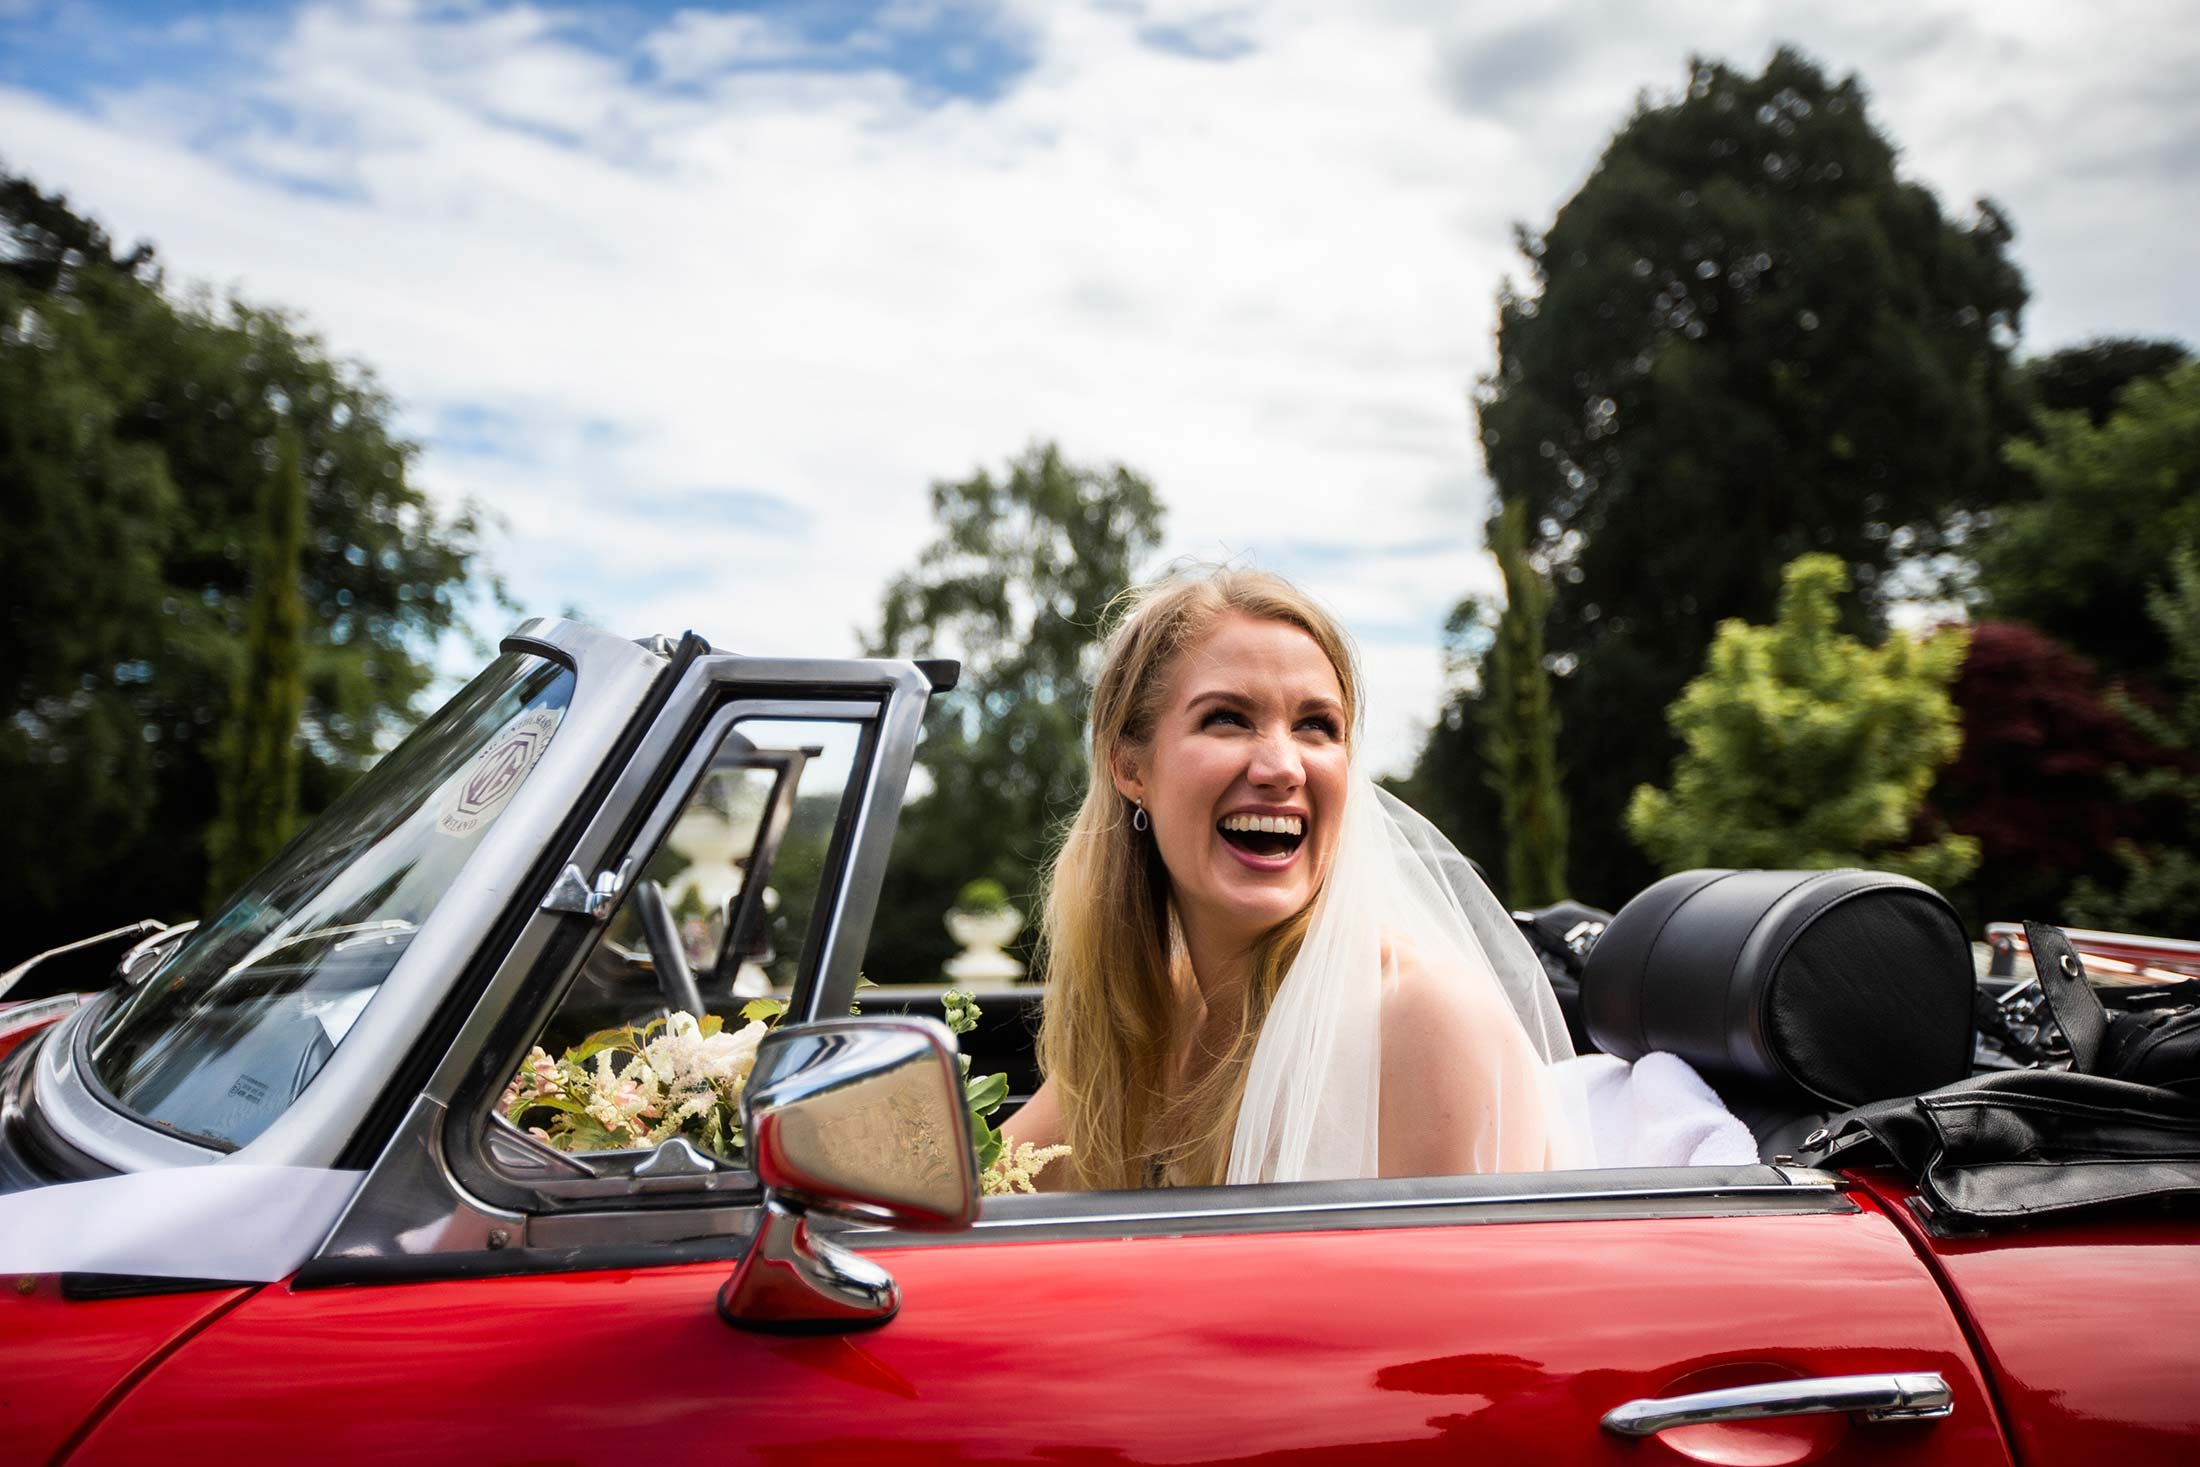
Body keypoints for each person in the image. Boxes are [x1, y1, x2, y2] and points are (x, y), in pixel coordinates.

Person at [1003, 567, 1582, 1189]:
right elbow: (975, 1185)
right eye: (1227, 718)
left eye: (1316, 726)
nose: (1283, 767)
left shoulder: (1425, 1019)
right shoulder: (1156, 1018)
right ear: (1130, 767)